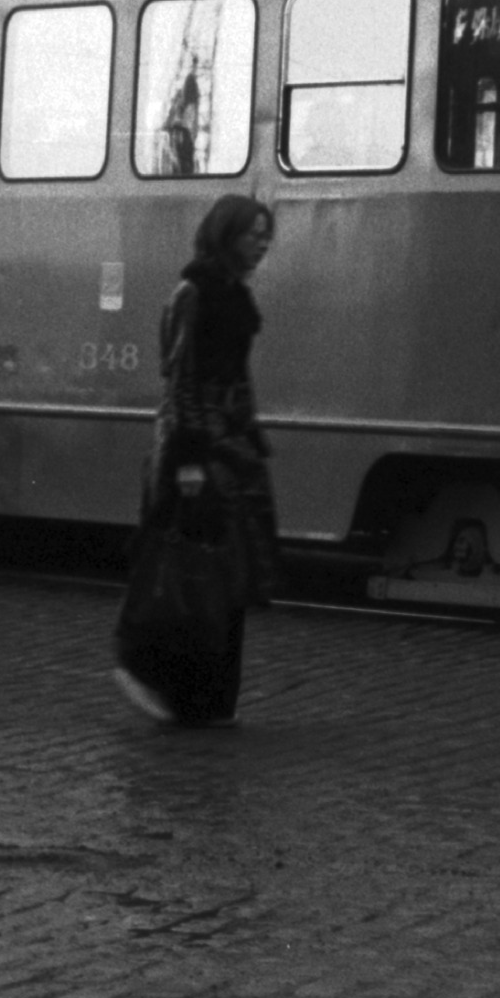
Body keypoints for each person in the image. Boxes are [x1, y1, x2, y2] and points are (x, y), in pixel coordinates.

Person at [113, 194, 282, 726]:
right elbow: (181, 381)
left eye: (265, 234)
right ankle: (152, 674)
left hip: (226, 448)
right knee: (187, 564)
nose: (262, 242)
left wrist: (248, 432)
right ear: (225, 234)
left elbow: (235, 378)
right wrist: (188, 470)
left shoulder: (233, 294)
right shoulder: (194, 293)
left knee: (223, 573)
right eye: (253, 232)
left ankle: (208, 699)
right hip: (194, 449)